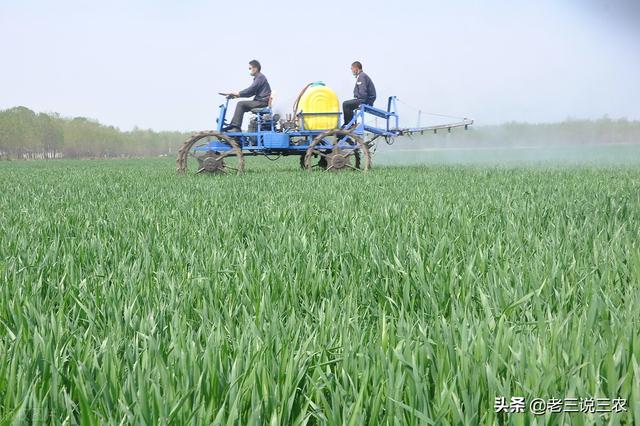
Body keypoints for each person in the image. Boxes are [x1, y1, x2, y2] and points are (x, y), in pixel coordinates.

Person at [224, 60, 272, 132]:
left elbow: (251, 90)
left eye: (250, 68)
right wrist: (236, 96)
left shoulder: (260, 77)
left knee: (240, 104)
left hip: (262, 102)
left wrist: (238, 93)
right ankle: (233, 126)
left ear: (255, 68)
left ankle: (236, 127)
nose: (249, 70)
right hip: (261, 101)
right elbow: (250, 93)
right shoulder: (258, 78)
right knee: (242, 106)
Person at [342, 61, 376, 127]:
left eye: (352, 68)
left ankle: (348, 124)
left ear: (356, 68)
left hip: (365, 100)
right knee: (349, 106)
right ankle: (350, 124)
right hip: (366, 99)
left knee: (345, 104)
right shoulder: (361, 76)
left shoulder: (361, 76)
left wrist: (359, 100)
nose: (351, 70)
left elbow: (363, 91)